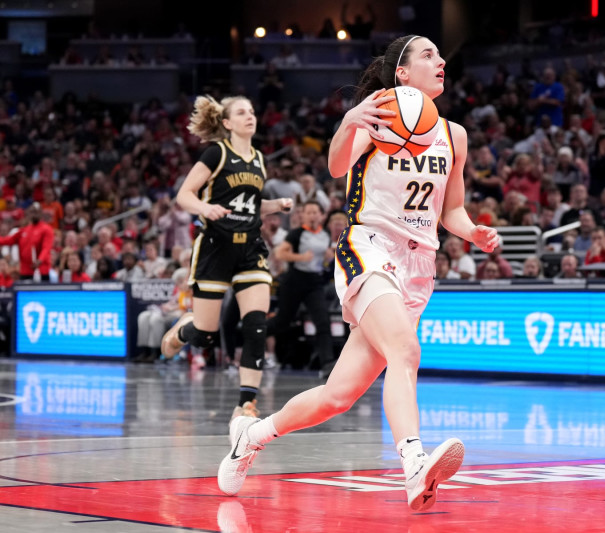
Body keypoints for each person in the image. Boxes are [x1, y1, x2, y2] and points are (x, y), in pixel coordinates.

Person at [217, 34, 499, 511]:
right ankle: (413, 464)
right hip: (368, 246)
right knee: (406, 351)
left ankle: (251, 435)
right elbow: (334, 165)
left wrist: (473, 233)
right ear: (402, 73)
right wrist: (349, 121)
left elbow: (450, 209)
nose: (442, 60)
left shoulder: (455, 135)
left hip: (418, 265)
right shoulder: (376, 116)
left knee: (337, 396)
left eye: (440, 54)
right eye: (429, 54)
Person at [160, 95, 293, 422]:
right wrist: (204, 208)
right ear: (227, 123)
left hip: (249, 247)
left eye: (252, 110)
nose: (250, 116)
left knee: (256, 324)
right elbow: (184, 194)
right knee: (206, 333)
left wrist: (276, 206)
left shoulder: (260, 159)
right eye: (241, 112)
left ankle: (246, 404)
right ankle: (183, 329)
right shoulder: (216, 153)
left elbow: (250, 205)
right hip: (215, 248)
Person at [266, 200, 336, 377]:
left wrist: (329, 256)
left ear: (321, 215)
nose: (312, 215)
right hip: (295, 281)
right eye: (309, 212)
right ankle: (255, 334)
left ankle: (327, 364)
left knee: (322, 321)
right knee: (282, 321)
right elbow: (280, 253)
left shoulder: (325, 234)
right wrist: (300, 257)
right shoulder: (296, 234)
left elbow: (325, 258)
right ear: (303, 215)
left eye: (315, 212)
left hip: (315, 282)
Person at [0, 202, 54, 281]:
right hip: (25, 271)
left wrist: (39, 260)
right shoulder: (24, 230)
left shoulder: (46, 229)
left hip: (41, 270)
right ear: (29, 214)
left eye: (36, 211)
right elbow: (8, 240)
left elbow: (46, 248)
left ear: (40, 213)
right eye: (32, 212)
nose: (34, 214)